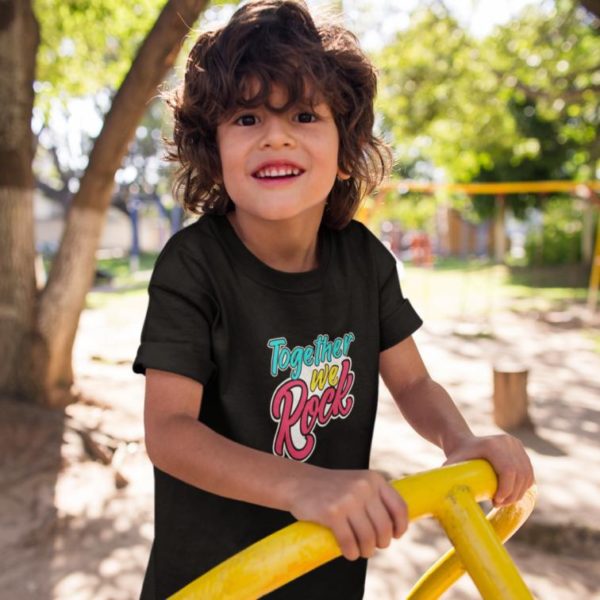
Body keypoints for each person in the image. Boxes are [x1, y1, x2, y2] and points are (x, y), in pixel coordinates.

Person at [132, 1, 534, 598]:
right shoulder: (194, 266)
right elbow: (168, 431)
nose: (276, 136)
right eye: (246, 118)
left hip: (327, 571)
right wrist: (303, 485)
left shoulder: (363, 259)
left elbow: (415, 385)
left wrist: (460, 440)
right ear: (212, 148)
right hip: (217, 580)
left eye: (302, 114)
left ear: (345, 149)